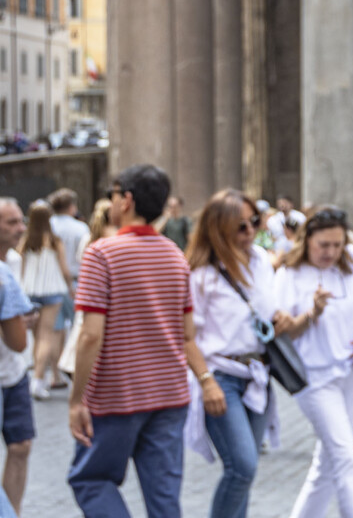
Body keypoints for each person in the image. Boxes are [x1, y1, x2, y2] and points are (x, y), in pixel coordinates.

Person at [68, 164, 217, 517]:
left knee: (91, 479)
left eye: (114, 194)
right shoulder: (174, 256)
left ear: (127, 200)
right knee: (164, 497)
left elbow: (90, 336)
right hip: (169, 393)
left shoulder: (102, 253)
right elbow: (186, 334)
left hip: (117, 393)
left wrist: (77, 399)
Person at [274, 207, 353, 518]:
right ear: (307, 240)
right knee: (345, 454)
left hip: (352, 371)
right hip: (314, 376)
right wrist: (312, 312)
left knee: (327, 462)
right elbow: (282, 332)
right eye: (324, 245)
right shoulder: (289, 275)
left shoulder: (351, 260)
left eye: (337, 245)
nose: (331, 252)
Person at [185, 189, 286, 518]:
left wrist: (281, 318)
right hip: (221, 376)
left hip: (257, 374)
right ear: (219, 228)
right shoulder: (201, 275)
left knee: (247, 469)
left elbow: (266, 314)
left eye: (254, 221)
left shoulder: (260, 261)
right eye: (240, 226)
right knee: (241, 466)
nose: (250, 230)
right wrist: (206, 382)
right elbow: (187, 337)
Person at [17, 201, 73, 400]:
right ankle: (38, 378)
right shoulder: (54, 241)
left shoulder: (25, 240)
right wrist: (70, 288)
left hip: (30, 290)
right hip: (52, 290)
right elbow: (65, 270)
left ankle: (37, 376)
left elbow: (20, 267)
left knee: (37, 338)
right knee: (46, 335)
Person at [0, 199, 34, 515]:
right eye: (11, 222)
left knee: (21, 446)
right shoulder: (2, 274)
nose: (20, 228)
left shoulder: (14, 261)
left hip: (14, 373)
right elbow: (18, 339)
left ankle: (13, 510)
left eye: (20, 221)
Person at [48, 188, 90, 387]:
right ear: (72, 206)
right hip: (76, 281)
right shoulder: (80, 228)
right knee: (78, 329)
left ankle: (54, 374)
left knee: (55, 331)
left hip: (52, 284)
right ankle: (77, 373)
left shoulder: (48, 226)